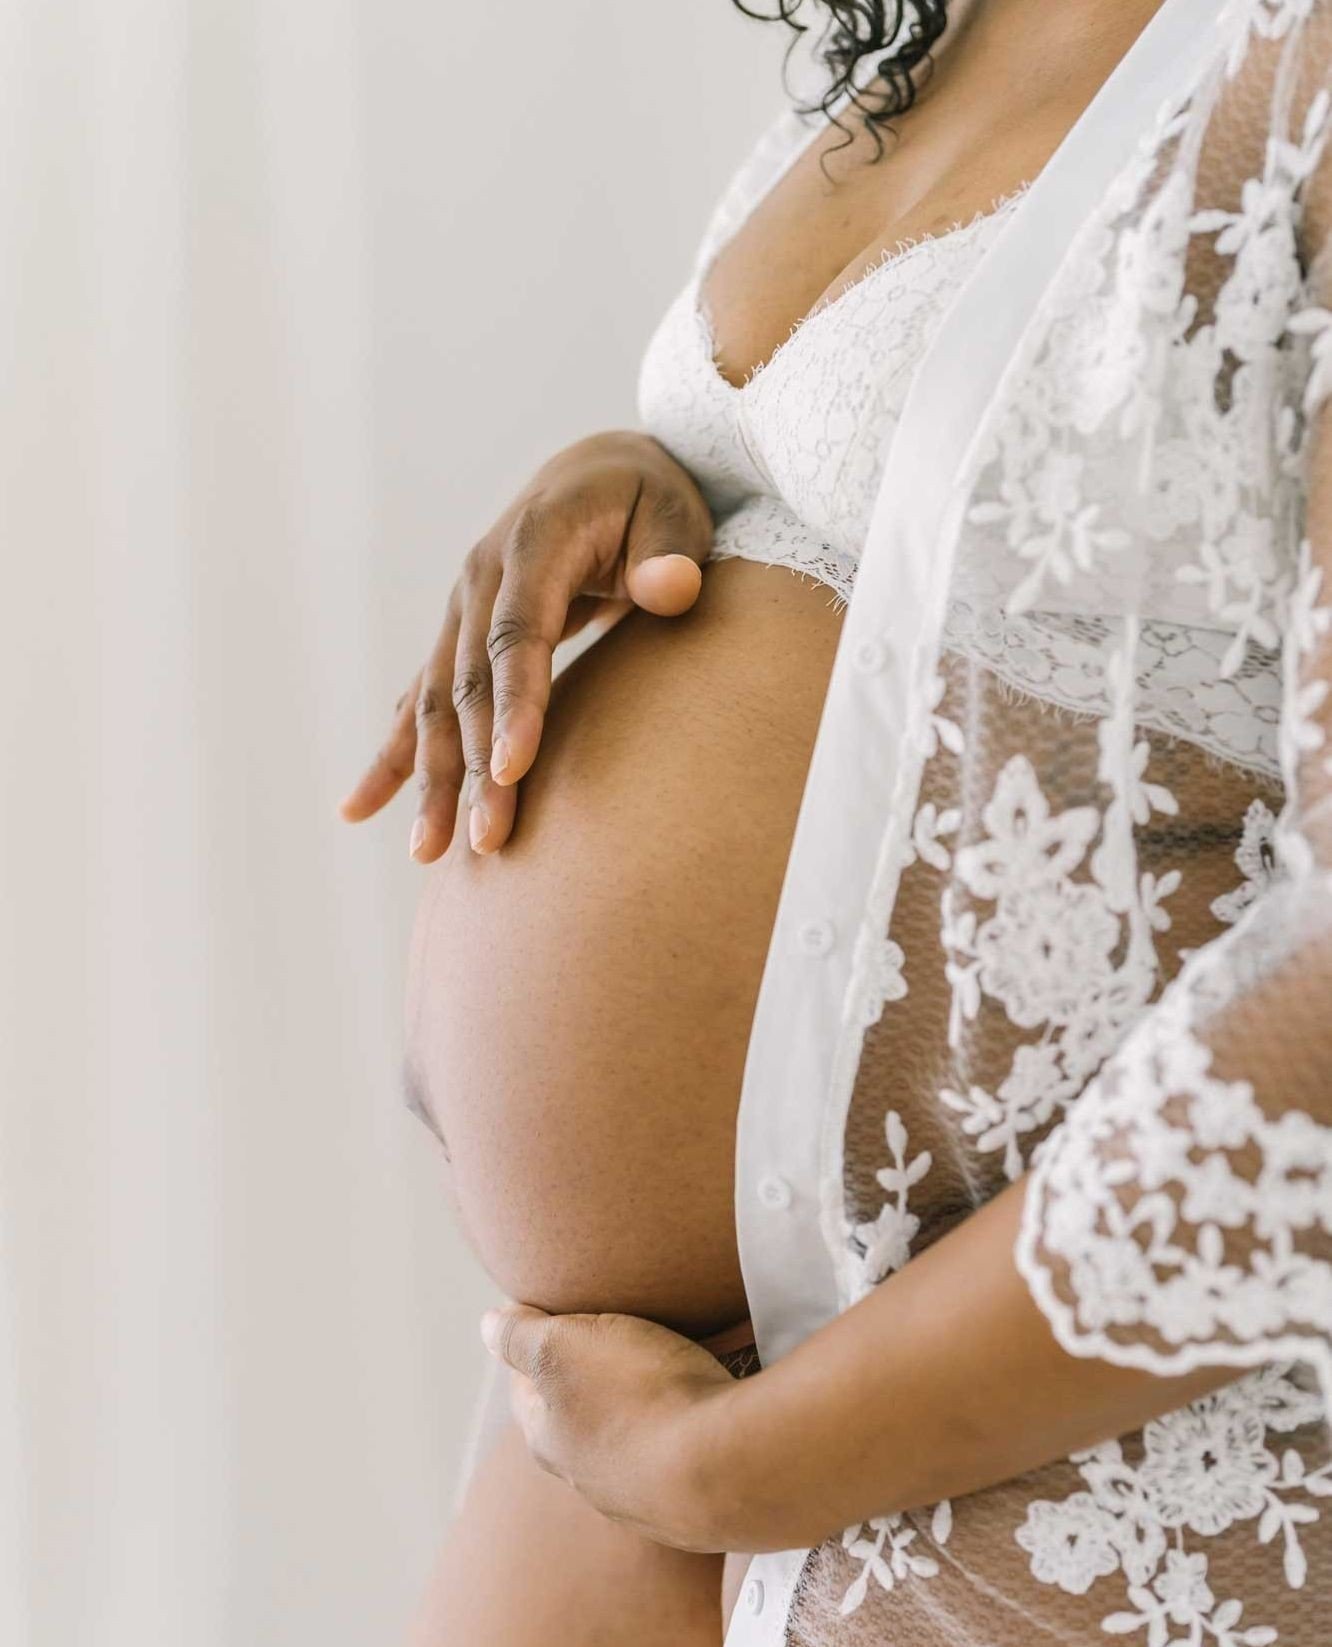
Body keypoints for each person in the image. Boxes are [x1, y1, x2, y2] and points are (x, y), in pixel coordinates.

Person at [341, 0, 1332, 1641]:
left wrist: (742, 1470)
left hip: (1038, 1465)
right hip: (622, 1436)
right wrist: (662, 476)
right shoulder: (919, 34)